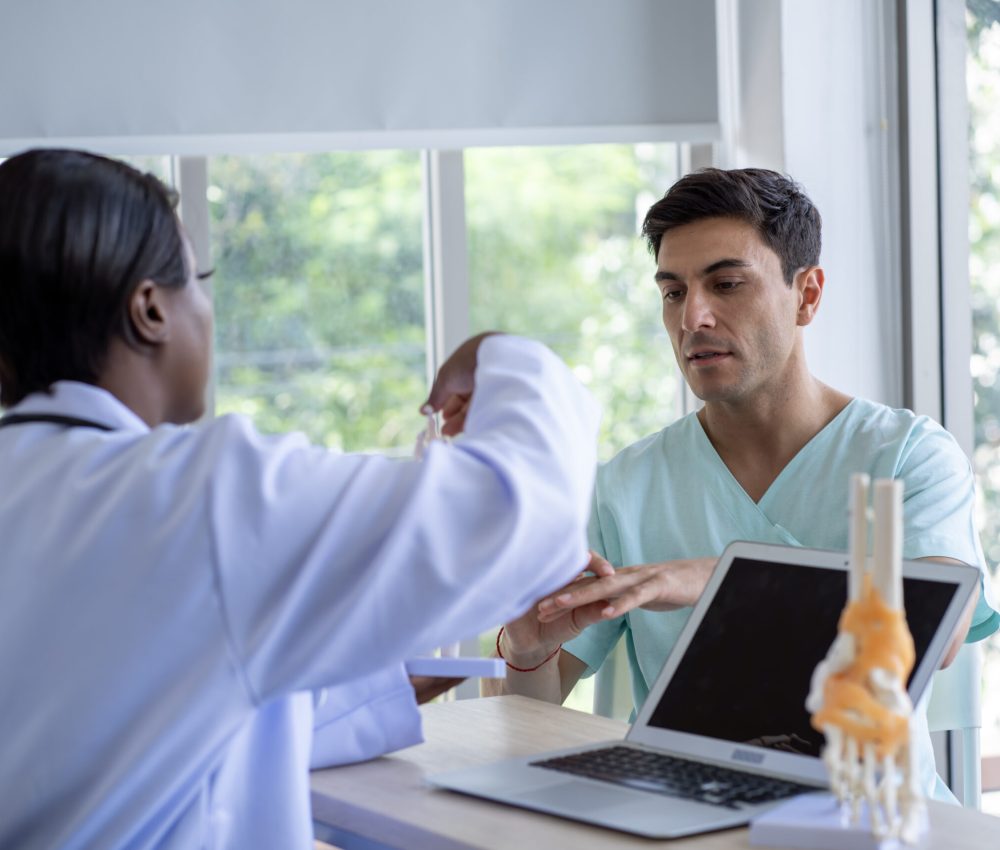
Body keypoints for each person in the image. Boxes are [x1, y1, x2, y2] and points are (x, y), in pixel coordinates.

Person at [0, 149, 600, 849]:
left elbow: (139, 728)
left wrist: (385, 676)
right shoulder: (202, 494)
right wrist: (502, 355)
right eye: (200, 281)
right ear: (150, 308)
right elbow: (521, 517)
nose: (209, 309)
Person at [482, 167, 1000, 801]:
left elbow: (935, 632)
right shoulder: (627, 485)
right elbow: (518, 712)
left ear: (807, 295)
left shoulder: (909, 456)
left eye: (726, 284)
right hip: (683, 811)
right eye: (673, 292)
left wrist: (725, 580)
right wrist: (526, 647)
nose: (692, 317)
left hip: (877, 821)